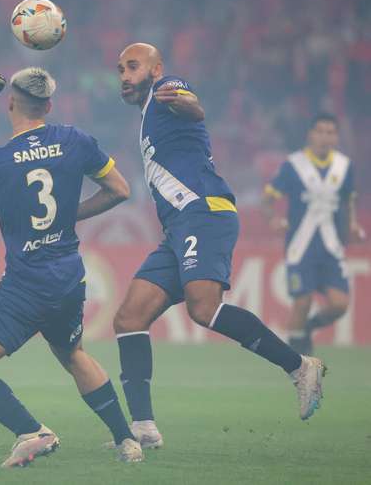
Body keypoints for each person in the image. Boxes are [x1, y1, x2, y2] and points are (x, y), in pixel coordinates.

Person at [112, 42, 327, 451]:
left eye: (133, 67)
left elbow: (193, 107)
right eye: (120, 69)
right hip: (178, 227)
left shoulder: (166, 90)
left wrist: (182, 98)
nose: (124, 75)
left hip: (204, 212)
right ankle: (143, 428)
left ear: (156, 69)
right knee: (129, 317)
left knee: (203, 308)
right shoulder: (145, 116)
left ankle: (300, 367)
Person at [0, 68, 143, 467]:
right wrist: (71, 215)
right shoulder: (75, 140)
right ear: (49, 106)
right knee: (72, 353)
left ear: (9, 104)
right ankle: (127, 441)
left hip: (26, 284)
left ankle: (32, 431)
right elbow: (120, 190)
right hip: (69, 275)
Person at [263, 113, 365, 355]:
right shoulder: (293, 165)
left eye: (330, 132)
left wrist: (351, 224)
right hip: (301, 246)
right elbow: (267, 199)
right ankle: (296, 359)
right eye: (320, 131)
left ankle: (309, 327)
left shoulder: (344, 166)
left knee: (340, 305)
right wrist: (273, 219)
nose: (325, 137)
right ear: (310, 134)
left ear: (336, 137)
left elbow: (348, 200)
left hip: (331, 247)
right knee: (302, 301)